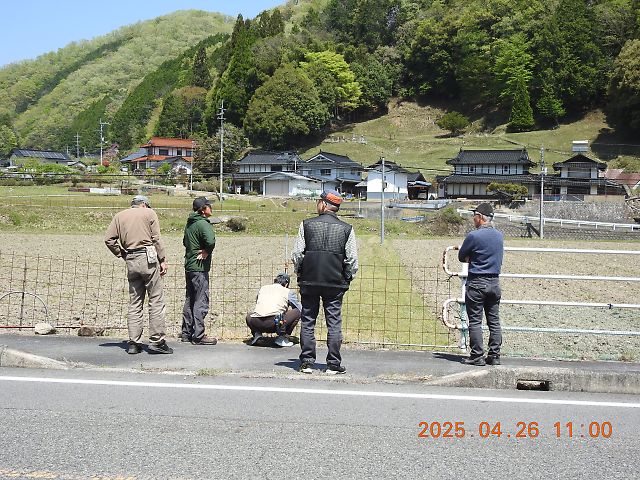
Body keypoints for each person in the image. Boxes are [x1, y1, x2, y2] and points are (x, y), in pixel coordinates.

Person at [292, 189, 358, 374]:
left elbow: (297, 254)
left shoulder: (306, 225)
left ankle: (307, 362)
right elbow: (352, 259)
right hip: (335, 282)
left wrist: (300, 272)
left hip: (309, 281)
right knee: (334, 322)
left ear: (323, 204)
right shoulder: (347, 229)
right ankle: (333, 364)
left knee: (308, 320)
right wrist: (347, 277)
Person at [104, 195, 172, 354]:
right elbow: (156, 239)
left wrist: (121, 253)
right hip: (148, 257)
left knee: (135, 302)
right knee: (156, 300)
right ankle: (157, 341)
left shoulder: (119, 216)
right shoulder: (149, 213)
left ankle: (134, 343)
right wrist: (162, 259)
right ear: (144, 204)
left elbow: (109, 239)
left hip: (131, 258)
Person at [458, 202, 504, 366]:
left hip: (477, 282)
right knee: (494, 321)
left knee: (475, 321)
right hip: (494, 283)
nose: (473, 219)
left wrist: (471, 257)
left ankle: (477, 356)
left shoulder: (474, 236)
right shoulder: (499, 236)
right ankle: (494, 355)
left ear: (480, 217)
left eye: (474, 216)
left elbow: (461, 256)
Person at [181, 196, 218, 345]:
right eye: (209, 206)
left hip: (189, 265)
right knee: (201, 300)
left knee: (190, 300)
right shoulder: (203, 223)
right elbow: (211, 241)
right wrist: (206, 251)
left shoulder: (190, 223)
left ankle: (186, 333)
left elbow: (185, 242)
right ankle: (198, 335)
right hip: (199, 267)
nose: (211, 208)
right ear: (203, 209)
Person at [245, 273, 302, 347]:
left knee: (249, 315)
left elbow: (258, 303)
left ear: (275, 281)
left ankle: (257, 334)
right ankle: (282, 338)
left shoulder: (263, 288)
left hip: (256, 322)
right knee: (297, 312)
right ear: (286, 284)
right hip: (274, 324)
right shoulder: (287, 291)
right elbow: (298, 307)